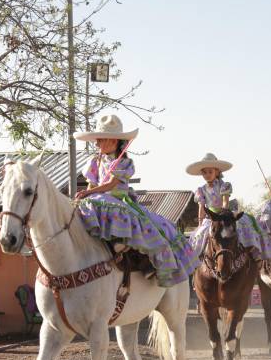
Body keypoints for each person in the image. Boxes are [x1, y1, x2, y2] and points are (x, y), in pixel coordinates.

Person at [73, 114, 199, 287]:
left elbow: (111, 185)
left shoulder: (124, 162)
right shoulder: (94, 161)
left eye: (100, 140)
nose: (96, 144)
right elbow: (91, 184)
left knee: (148, 228)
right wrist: (84, 197)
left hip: (119, 200)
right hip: (97, 199)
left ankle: (142, 260)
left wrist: (90, 193)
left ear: (113, 141)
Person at [186, 153, 271, 263]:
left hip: (224, 214)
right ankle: (196, 262)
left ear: (217, 172)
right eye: (204, 172)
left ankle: (251, 253)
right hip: (211, 217)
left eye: (210, 171)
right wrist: (200, 223)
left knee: (245, 226)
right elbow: (201, 207)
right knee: (198, 236)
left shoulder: (224, 185)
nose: (207, 174)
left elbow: (225, 202)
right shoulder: (200, 190)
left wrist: (223, 216)